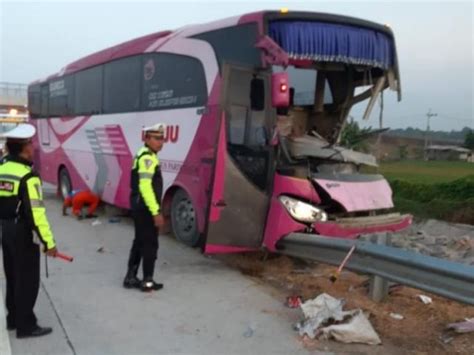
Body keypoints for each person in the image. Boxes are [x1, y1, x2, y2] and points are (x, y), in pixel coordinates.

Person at [0, 124, 58, 338]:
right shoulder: (28, 176)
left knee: (13, 275)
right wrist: (49, 242)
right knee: (27, 279)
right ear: (24, 147)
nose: (33, 146)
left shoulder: (2, 167)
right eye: (31, 142)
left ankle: (13, 319)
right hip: (22, 233)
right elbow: (37, 214)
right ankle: (26, 326)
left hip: (5, 230)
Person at [123, 123, 166, 292]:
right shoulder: (147, 158)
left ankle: (130, 277)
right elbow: (145, 187)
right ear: (146, 139)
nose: (160, 142)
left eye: (162, 138)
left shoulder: (145, 155)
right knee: (150, 244)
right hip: (145, 208)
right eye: (156, 138)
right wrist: (155, 212)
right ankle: (147, 281)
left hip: (140, 206)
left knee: (140, 242)